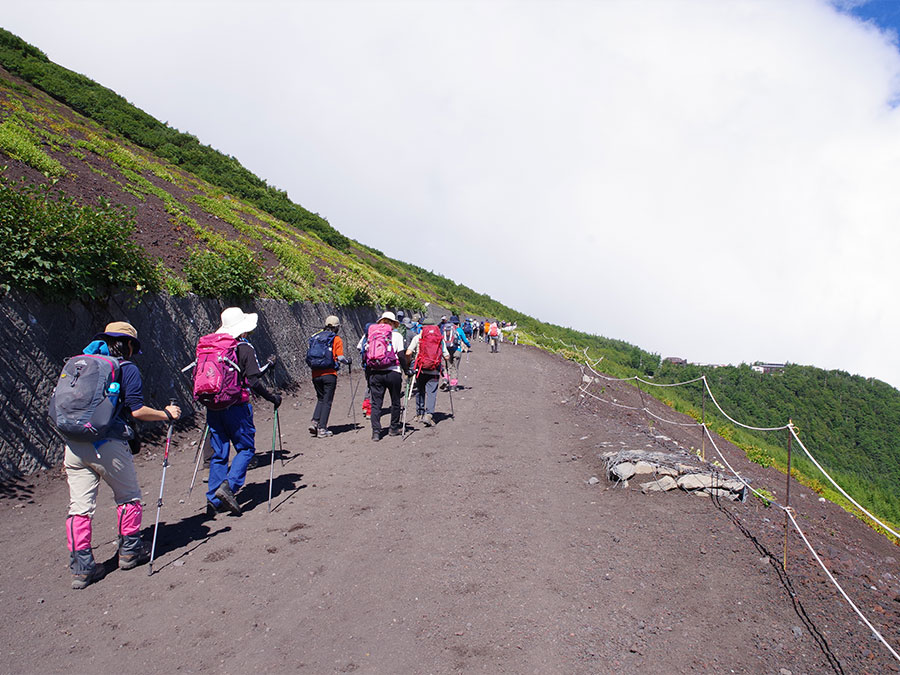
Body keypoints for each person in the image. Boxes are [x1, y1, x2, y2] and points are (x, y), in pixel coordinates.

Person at [62, 321, 182, 589]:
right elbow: (137, 411)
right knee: (129, 497)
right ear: (128, 345)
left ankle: (82, 568)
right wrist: (166, 414)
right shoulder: (126, 369)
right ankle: (129, 552)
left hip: (74, 444)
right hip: (108, 444)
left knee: (79, 508)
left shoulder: (81, 367)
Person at [206, 307, 281, 518]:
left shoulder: (212, 347)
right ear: (243, 328)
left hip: (213, 406)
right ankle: (229, 487)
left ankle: (213, 500)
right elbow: (253, 380)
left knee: (219, 454)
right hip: (237, 406)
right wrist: (272, 398)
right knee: (246, 448)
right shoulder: (244, 347)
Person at [365, 311, 407, 441]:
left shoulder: (372, 334)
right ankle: (393, 428)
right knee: (395, 401)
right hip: (393, 372)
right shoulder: (397, 336)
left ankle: (376, 432)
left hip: (375, 372)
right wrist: (407, 370)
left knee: (376, 403)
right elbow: (400, 355)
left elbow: (365, 352)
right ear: (394, 324)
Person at [307, 315, 350, 438]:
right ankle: (322, 429)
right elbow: (340, 358)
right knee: (327, 401)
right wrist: (348, 362)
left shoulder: (315, 337)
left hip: (315, 373)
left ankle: (315, 422)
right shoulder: (336, 339)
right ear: (337, 327)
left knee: (320, 398)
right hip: (329, 374)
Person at [406, 317, 450, 426]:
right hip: (434, 369)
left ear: (422, 327)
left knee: (420, 390)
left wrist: (409, 364)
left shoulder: (418, 337)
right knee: (431, 392)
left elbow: (408, 352)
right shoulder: (439, 338)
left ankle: (419, 413)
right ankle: (429, 414)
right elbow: (447, 356)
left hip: (420, 369)